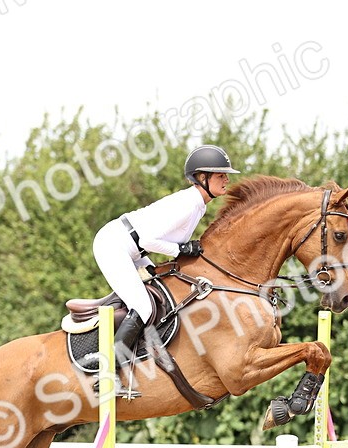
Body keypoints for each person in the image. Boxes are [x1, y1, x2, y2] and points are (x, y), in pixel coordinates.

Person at [91, 144, 240, 359]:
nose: (227, 180)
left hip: (135, 251)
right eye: (221, 175)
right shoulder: (188, 204)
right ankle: (108, 366)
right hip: (114, 245)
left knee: (162, 295)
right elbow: (148, 240)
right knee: (144, 307)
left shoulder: (199, 205)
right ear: (202, 177)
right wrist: (182, 249)